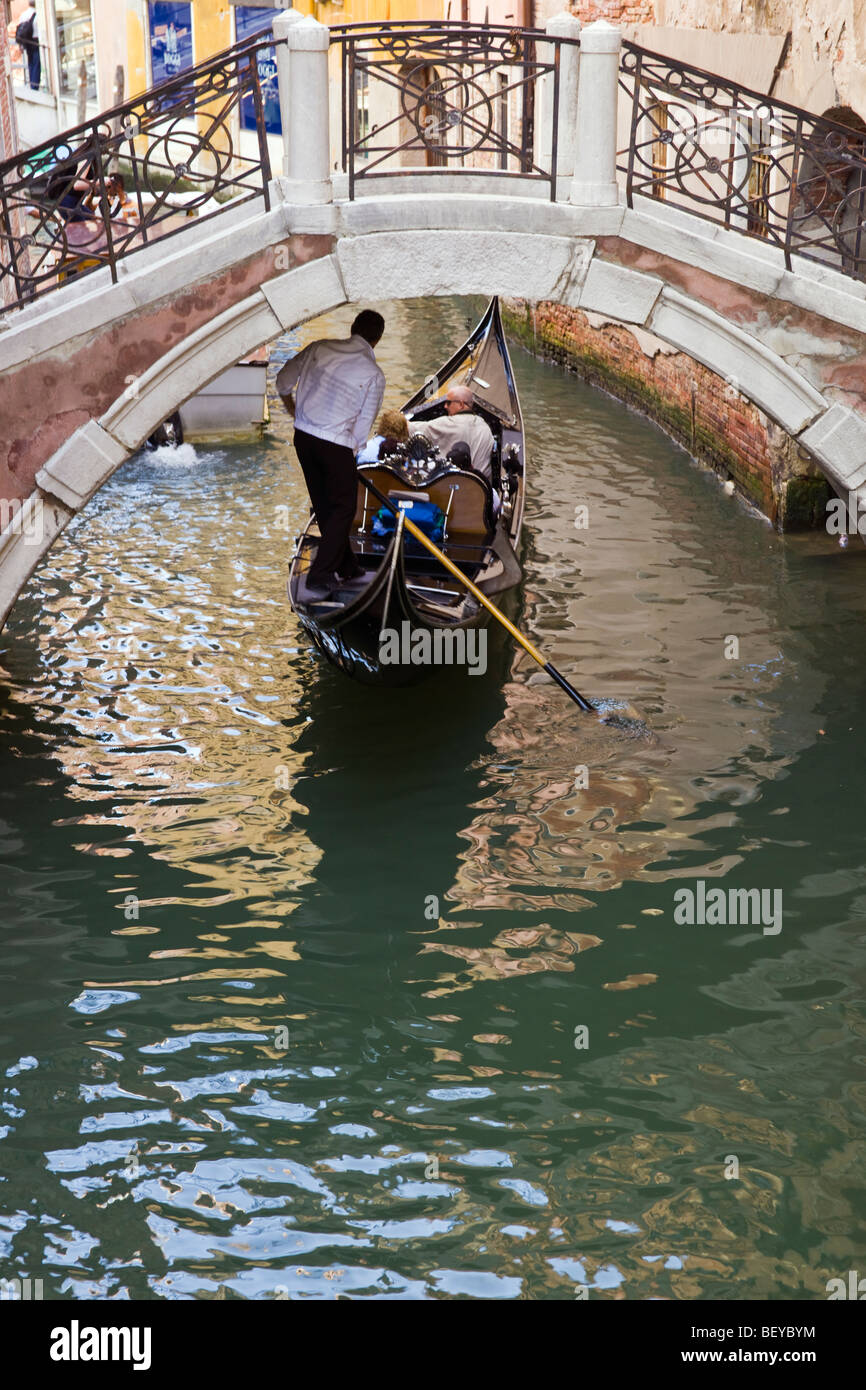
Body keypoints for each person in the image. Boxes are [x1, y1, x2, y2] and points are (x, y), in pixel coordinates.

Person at [277, 309, 386, 602]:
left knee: (325, 505)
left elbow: (282, 382)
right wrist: (348, 459)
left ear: (352, 328)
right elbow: (362, 428)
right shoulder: (374, 374)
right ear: (377, 340)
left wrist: (294, 412)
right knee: (343, 509)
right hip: (336, 445)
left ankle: (347, 567)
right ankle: (320, 575)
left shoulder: (319, 347)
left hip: (304, 438)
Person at [421, 383, 495, 482]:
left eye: (448, 402)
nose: (445, 406)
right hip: (480, 489)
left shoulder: (448, 423)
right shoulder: (485, 427)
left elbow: (411, 428)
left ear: (461, 404)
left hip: (451, 486)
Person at [15, 5, 40, 91]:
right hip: (35, 40)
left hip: (27, 41)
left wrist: (21, 45)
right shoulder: (38, 14)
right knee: (36, 63)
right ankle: (35, 86)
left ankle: (31, 83)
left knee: (30, 62)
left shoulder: (23, 14)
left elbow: (20, 31)